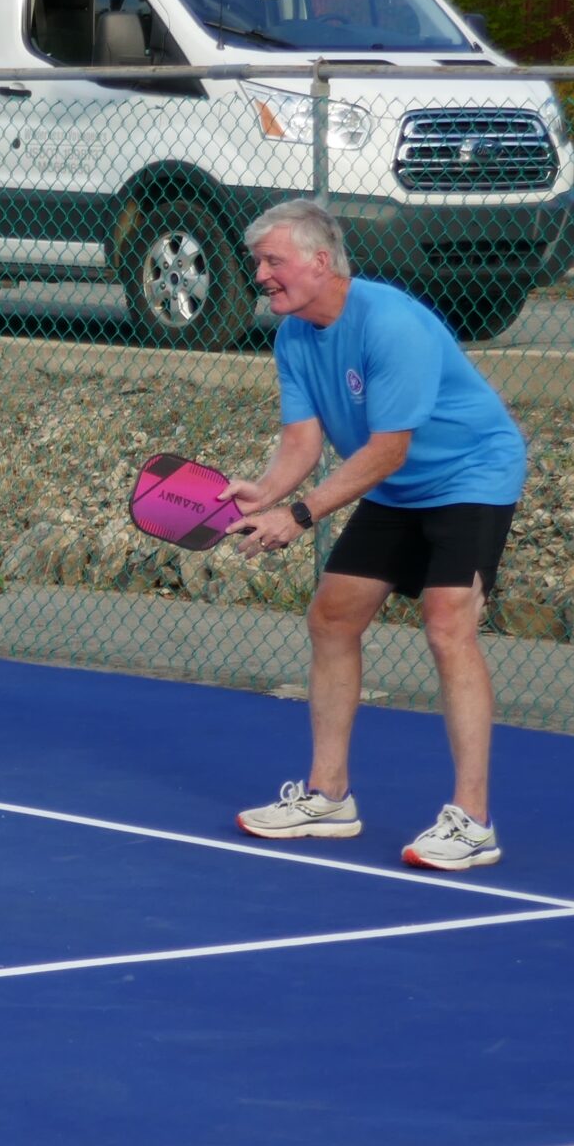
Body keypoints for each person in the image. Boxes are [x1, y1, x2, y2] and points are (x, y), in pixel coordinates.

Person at [221, 198, 526, 871]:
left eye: (272, 261)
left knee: (448, 623)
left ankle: (472, 821)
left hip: (471, 473)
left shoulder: (391, 324)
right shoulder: (294, 333)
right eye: (259, 264)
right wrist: (267, 490)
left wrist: (299, 516)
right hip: (395, 485)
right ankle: (328, 797)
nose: (261, 276)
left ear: (319, 261)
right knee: (332, 617)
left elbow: (388, 448)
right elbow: (303, 440)